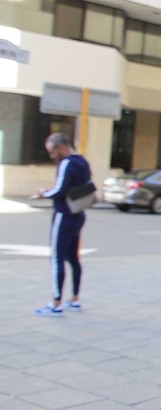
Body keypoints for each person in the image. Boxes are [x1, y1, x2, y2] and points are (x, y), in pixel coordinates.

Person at [30, 133, 91, 317]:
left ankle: (55, 304)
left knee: (57, 258)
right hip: (78, 213)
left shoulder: (67, 163)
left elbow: (60, 190)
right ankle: (74, 299)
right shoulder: (82, 161)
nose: (51, 156)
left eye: (52, 151)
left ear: (61, 147)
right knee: (73, 258)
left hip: (63, 215)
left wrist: (43, 193)